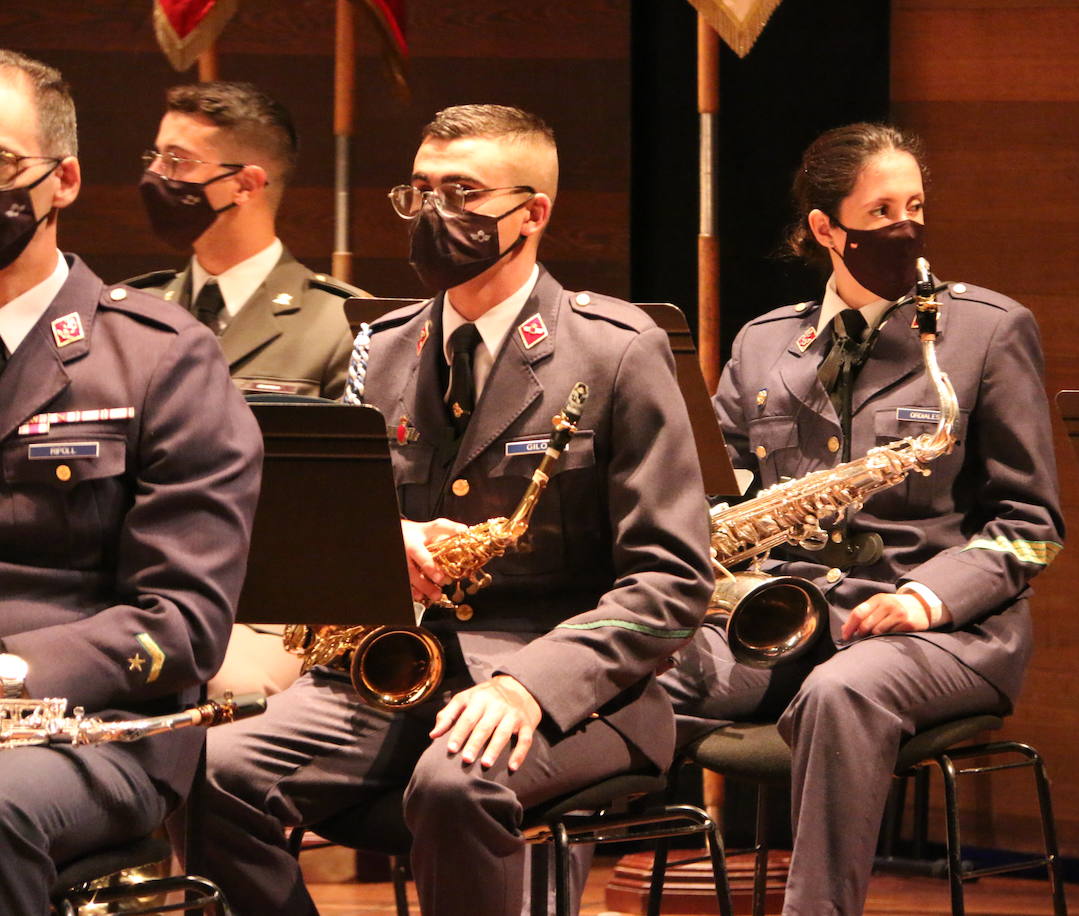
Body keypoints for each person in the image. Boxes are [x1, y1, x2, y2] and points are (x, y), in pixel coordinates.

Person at [187, 103, 713, 916]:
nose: (436, 215)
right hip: (397, 673)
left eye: (463, 194)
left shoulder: (615, 351)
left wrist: (528, 689)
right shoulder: (387, 346)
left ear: (533, 213)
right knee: (211, 775)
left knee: (454, 786)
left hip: (571, 683)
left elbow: (672, 583)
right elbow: (328, 529)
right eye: (423, 191)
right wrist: (381, 538)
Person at [661, 122, 1066, 915]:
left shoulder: (987, 331)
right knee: (625, 666)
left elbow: (1033, 526)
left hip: (946, 631)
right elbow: (717, 488)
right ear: (825, 228)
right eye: (880, 211)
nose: (905, 229)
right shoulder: (763, 345)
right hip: (786, 617)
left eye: (914, 205)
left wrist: (927, 599)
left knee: (840, 695)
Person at [0, 50, 262, 914]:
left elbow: (183, 622)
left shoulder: (156, 358)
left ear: (62, 179)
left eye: (1, 165)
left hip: (101, 728)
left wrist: (9, 673)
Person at [126, 80, 365, 697]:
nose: (157, 175)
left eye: (178, 162)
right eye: (155, 157)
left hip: (269, 611)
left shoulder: (340, 323)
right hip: (133, 596)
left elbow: (349, 521)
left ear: (247, 183)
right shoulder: (130, 315)